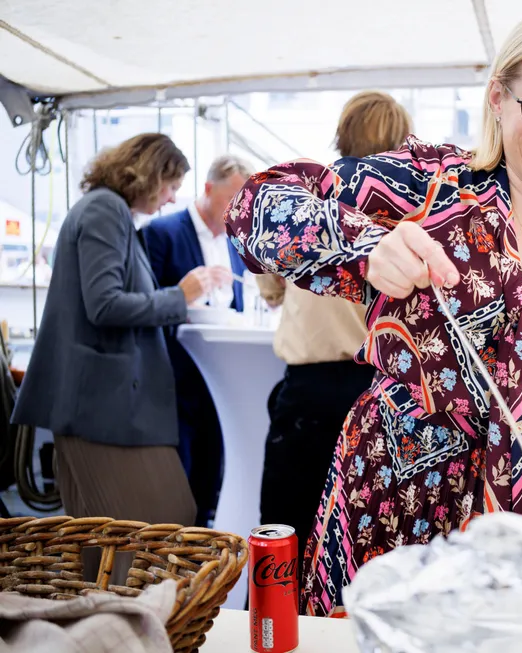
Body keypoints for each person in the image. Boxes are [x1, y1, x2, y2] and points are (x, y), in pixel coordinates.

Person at [226, 8, 522, 617]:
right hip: (387, 514)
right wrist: (363, 246)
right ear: (499, 98)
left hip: (513, 538)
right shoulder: (428, 186)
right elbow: (253, 206)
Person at [11, 133, 225, 538]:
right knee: (161, 519)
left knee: (106, 533)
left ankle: (108, 600)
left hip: (101, 406)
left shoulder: (106, 212)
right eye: (172, 186)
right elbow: (105, 304)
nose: (171, 199)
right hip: (103, 407)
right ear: (150, 176)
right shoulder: (104, 212)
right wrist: (179, 297)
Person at [255, 91, 411, 577]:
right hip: (379, 393)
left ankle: (272, 638)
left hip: (307, 395)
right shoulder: (408, 214)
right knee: (370, 543)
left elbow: (268, 282)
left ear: (342, 133)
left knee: (284, 535)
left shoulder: (304, 203)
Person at [141, 154, 252, 526]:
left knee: (215, 473)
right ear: (207, 189)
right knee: (180, 479)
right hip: (175, 381)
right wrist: (183, 292)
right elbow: (146, 304)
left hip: (223, 382)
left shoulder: (236, 244)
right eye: (230, 200)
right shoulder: (162, 233)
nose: (237, 210)